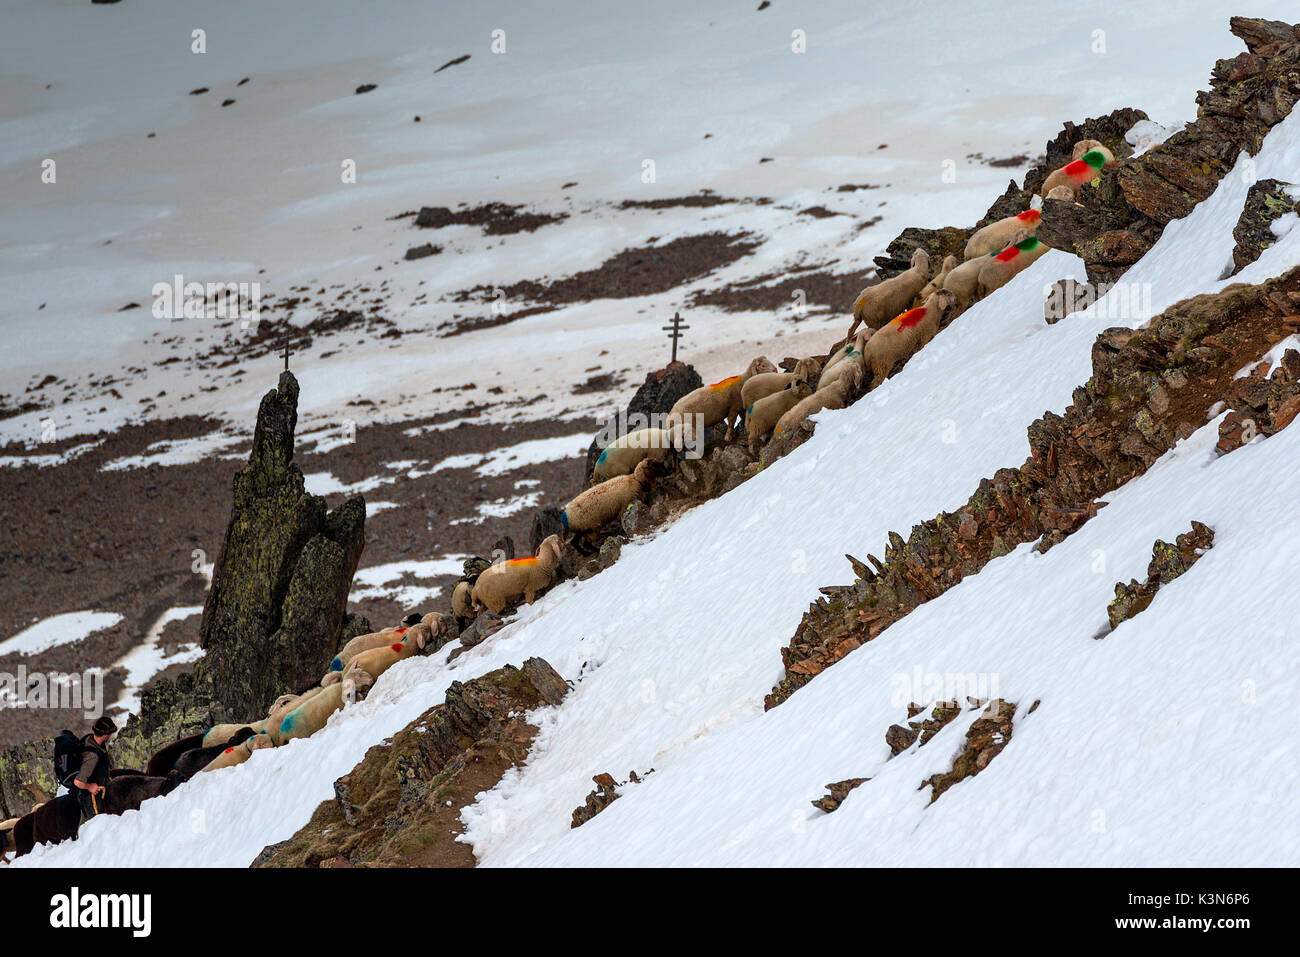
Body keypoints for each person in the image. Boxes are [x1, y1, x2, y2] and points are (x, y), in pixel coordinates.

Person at [71, 717, 116, 819]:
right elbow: (78, 782)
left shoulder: (91, 739)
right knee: (93, 826)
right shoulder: (92, 756)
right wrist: (90, 787)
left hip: (97, 793)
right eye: (110, 733)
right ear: (105, 735)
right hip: (90, 800)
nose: (111, 735)